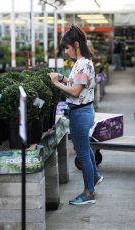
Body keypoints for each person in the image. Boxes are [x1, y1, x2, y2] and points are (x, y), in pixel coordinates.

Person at [49, 24, 103, 205]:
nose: (66, 51)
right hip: (83, 111)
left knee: (82, 154)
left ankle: (89, 193)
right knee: (85, 148)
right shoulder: (83, 63)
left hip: (80, 113)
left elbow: (74, 92)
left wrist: (57, 84)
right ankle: (94, 177)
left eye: (67, 47)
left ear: (76, 44)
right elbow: (75, 83)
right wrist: (62, 78)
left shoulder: (83, 64)